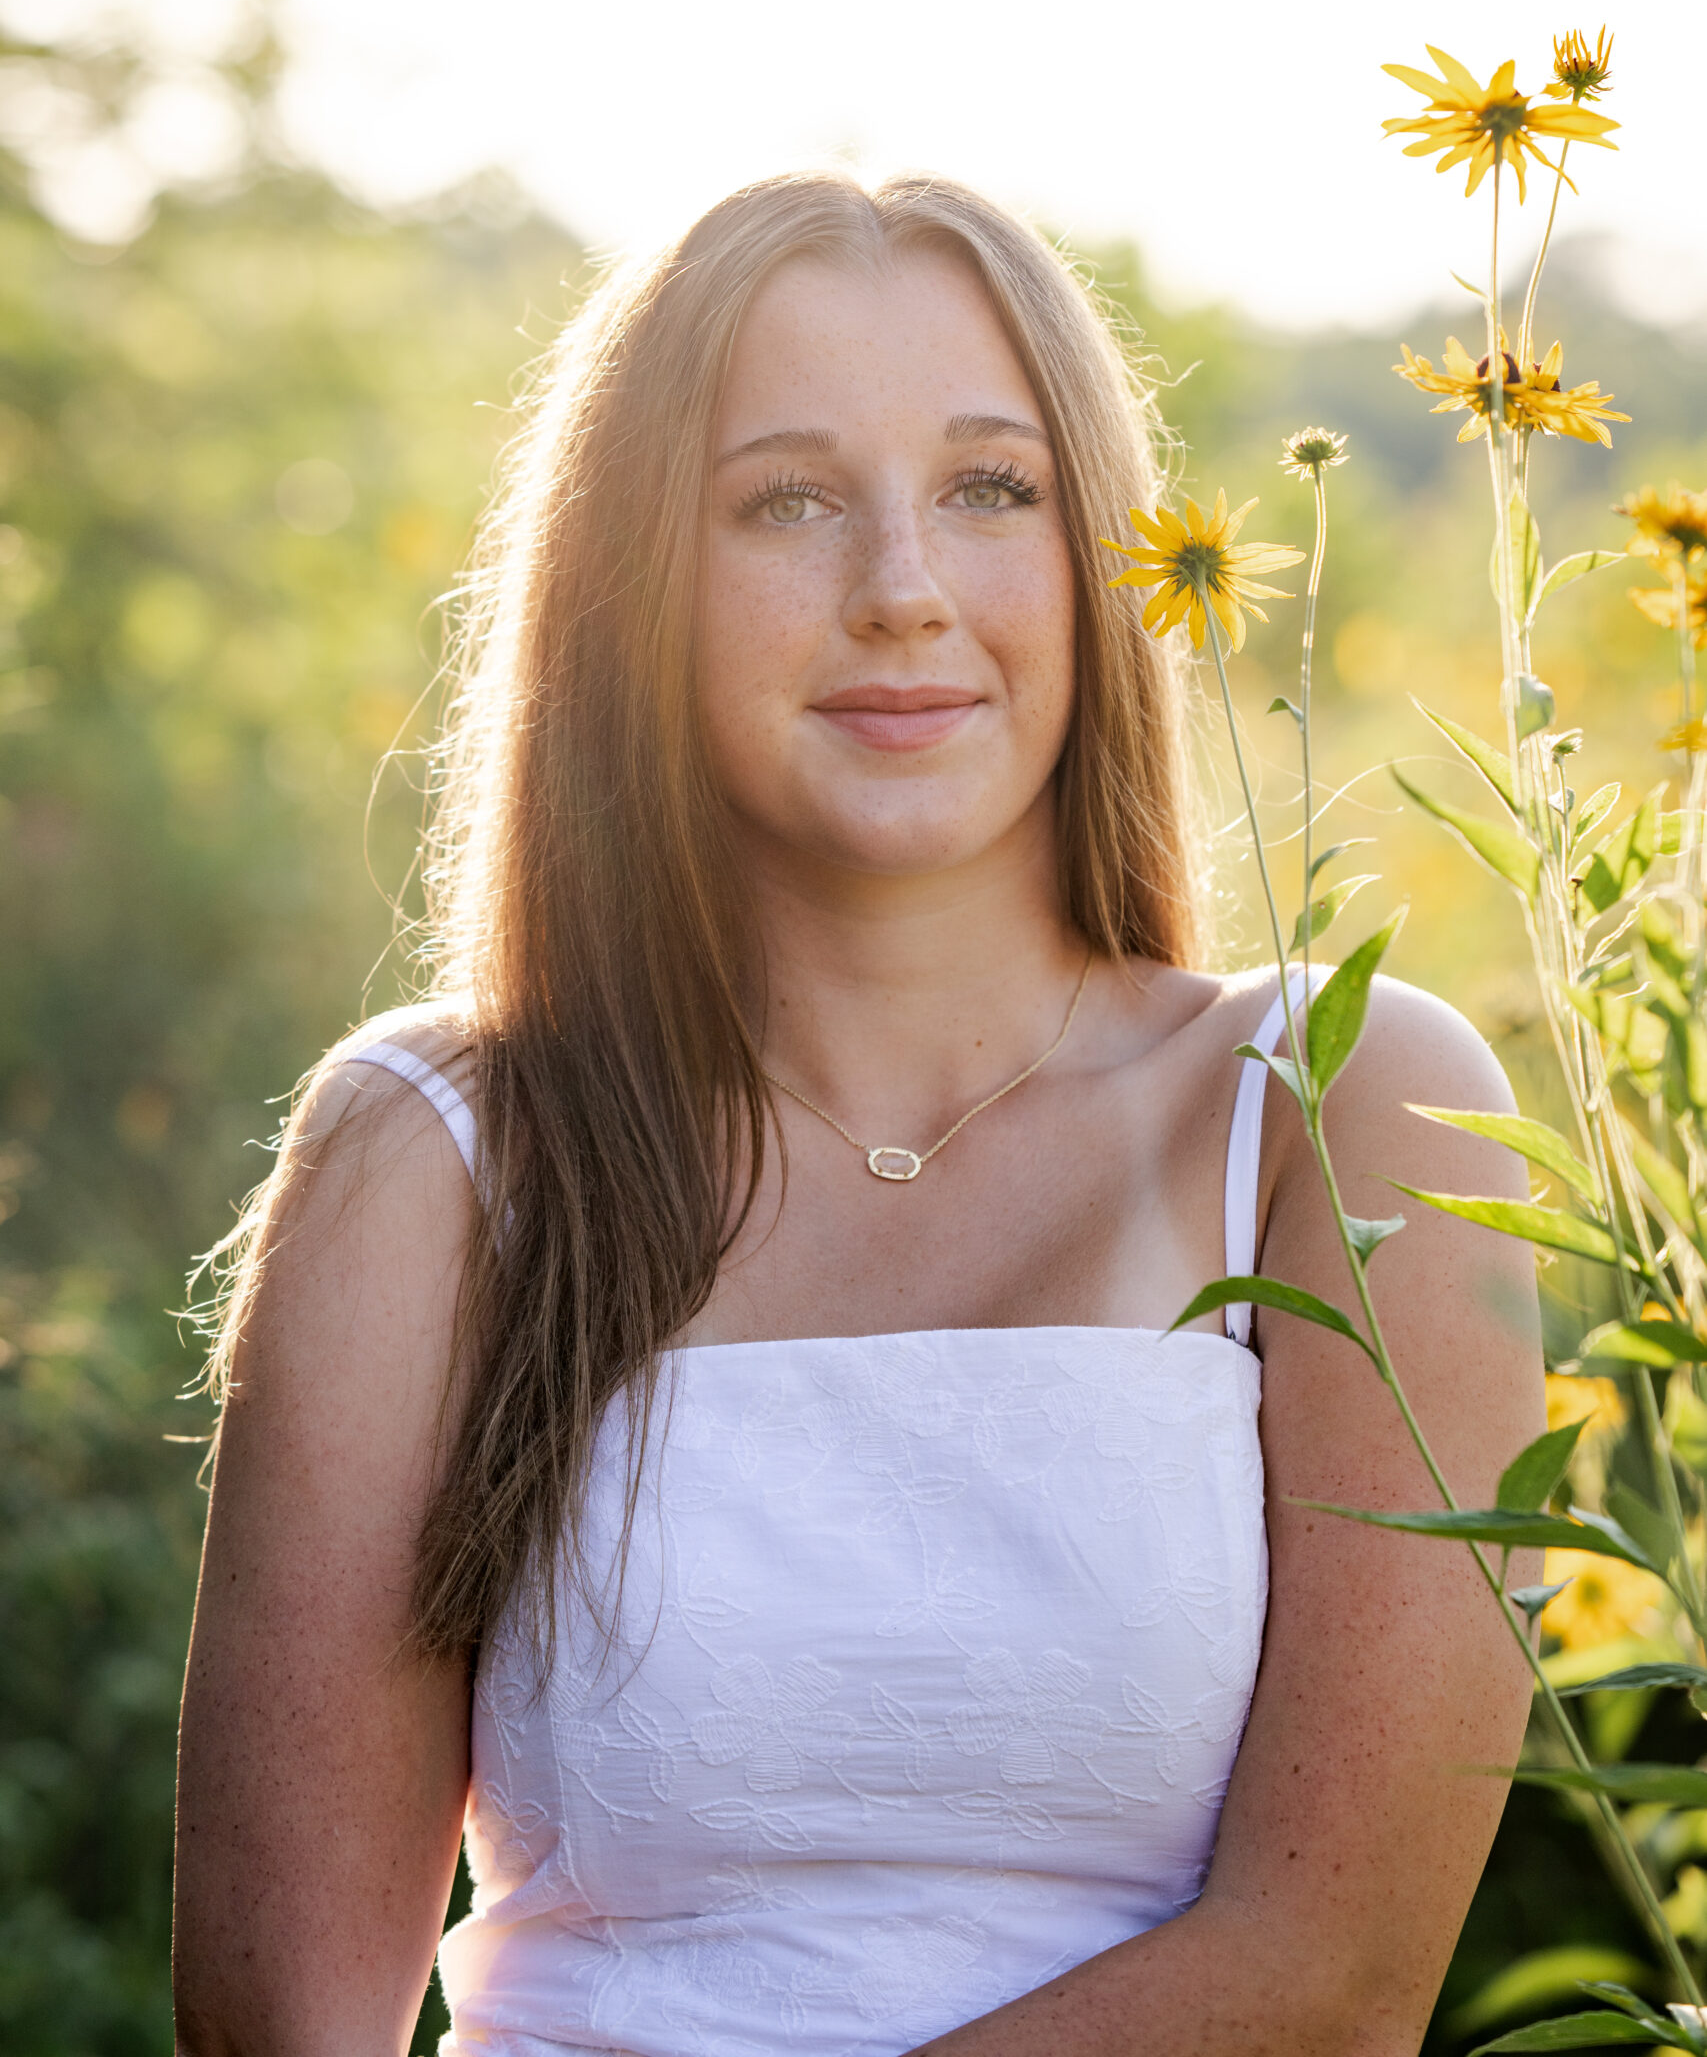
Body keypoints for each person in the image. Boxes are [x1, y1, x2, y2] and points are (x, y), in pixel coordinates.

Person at [173, 171, 1541, 2057]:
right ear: (632, 577)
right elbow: (280, 2018)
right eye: (787, 500)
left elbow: (1332, 1981)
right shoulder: (434, 1153)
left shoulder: (1339, 1108)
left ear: (1098, 562)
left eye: (993, 488)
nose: (902, 589)